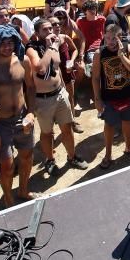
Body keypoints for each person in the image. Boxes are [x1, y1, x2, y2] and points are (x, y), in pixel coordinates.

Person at [0, 25, 38, 206]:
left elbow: (31, 88)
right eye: (2, 44)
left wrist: (32, 113)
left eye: (10, 43)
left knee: (27, 157)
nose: (7, 47)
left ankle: (24, 191)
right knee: (7, 165)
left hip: (22, 118)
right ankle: (9, 201)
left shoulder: (23, 61)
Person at [25, 19, 88, 173]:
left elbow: (57, 66)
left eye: (50, 28)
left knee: (67, 128)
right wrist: (51, 46)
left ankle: (72, 157)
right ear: (37, 33)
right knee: (47, 133)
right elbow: (40, 68)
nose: (50, 32)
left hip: (59, 94)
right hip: (43, 99)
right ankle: (50, 160)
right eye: (45, 30)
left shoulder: (56, 44)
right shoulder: (31, 48)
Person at [92, 23, 130, 168]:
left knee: (128, 122)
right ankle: (108, 154)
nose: (110, 42)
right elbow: (95, 78)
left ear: (120, 38)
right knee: (109, 125)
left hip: (127, 94)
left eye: (114, 39)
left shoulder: (128, 48)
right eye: (107, 38)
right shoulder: (99, 54)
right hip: (109, 98)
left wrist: (121, 55)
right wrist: (97, 99)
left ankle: (128, 146)